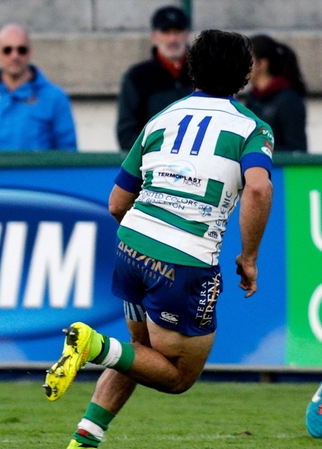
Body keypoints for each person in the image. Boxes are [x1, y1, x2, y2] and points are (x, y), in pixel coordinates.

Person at [43, 30, 274, 449]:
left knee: (139, 351)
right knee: (177, 376)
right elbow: (257, 188)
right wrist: (250, 256)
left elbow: (116, 203)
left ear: (191, 67)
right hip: (184, 260)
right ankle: (93, 344)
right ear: (245, 73)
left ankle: (85, 438)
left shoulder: (161, 119)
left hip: (131, 247)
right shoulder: (251, 128)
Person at [0, 23, 77, 151]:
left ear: (30, 52)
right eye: (7, 50)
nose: (15, 56)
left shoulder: (55, 98)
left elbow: (68, 154)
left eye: (21, 50)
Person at [116, 5, 194, 150]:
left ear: (188, 34)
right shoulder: (137, 78)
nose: (172, 39)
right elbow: (126, 134)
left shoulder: (205, 73)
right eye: (166, 32)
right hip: (154, 166)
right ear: (154, 37)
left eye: (178, 31)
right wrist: (157, 153)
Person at [242, 34, 308, 152]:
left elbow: (297, 149)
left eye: (248, 59)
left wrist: (259, 149)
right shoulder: (253, 98)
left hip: (279, 168)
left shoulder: (288, 99)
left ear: (262, 64)